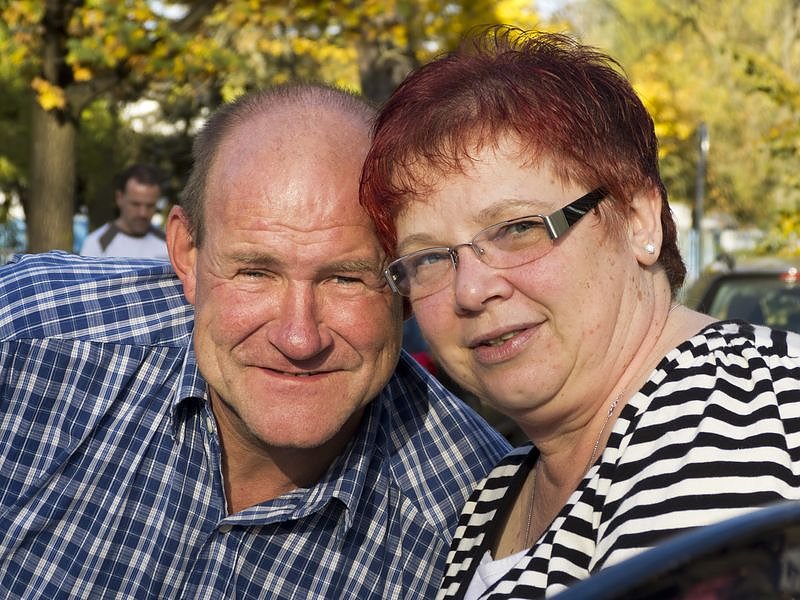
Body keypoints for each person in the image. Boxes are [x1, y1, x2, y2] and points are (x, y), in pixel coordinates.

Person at [0, 83, 510, 599]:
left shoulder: (476, 532)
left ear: (405, 285)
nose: (298, 337)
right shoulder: (30, 338)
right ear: (188, 256)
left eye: (346, 279)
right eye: (255, 272)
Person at [359, 26, 800, 599]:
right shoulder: (502, 492)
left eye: (517, 228)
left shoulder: (717, 422)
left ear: (640, 220)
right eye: (428, 258)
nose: (470, 290)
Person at [80, 163, 169, 259]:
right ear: (119, 198)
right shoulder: (97, 244)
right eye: (135, 204)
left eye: (150, 205)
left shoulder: (169, 244)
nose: (142, 213)